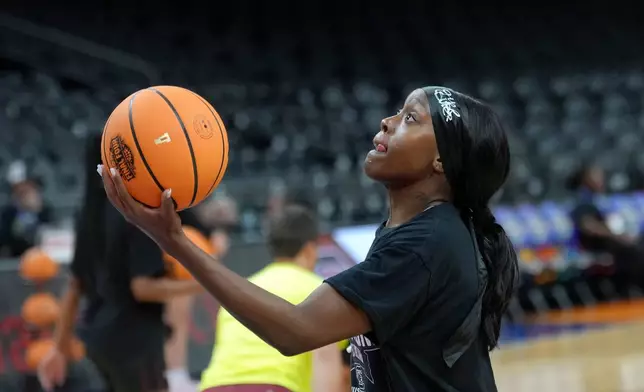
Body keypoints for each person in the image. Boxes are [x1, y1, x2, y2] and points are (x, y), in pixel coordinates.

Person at [99, 86, 519, 392]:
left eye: (410, 118)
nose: (387, 121)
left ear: (441, 160)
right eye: (397, 111)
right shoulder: (423, 233)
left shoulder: (430, 242)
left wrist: (175, 242)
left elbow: (295, 330)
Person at [38, 134, 202, 392]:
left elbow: (74, 286)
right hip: (134, 339)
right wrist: (199, 284)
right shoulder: (136, 214)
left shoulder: (86, 214)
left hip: (96, 341)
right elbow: (143, 288)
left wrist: (58, 348)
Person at [199, 204, 344, 392]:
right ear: (309, 249)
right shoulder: (321, 291)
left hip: (213, 387)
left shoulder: (241, 290)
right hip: (273, 386)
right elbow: (326, 359)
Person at [568, 164, 644, 284]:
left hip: (615, 244)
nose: (600, 179)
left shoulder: (600, 199)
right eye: (595, 176)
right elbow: (588, 226)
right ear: (585, 179)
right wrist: (615, 235)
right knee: (634, 252)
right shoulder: (582, 200)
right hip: (595, 246)